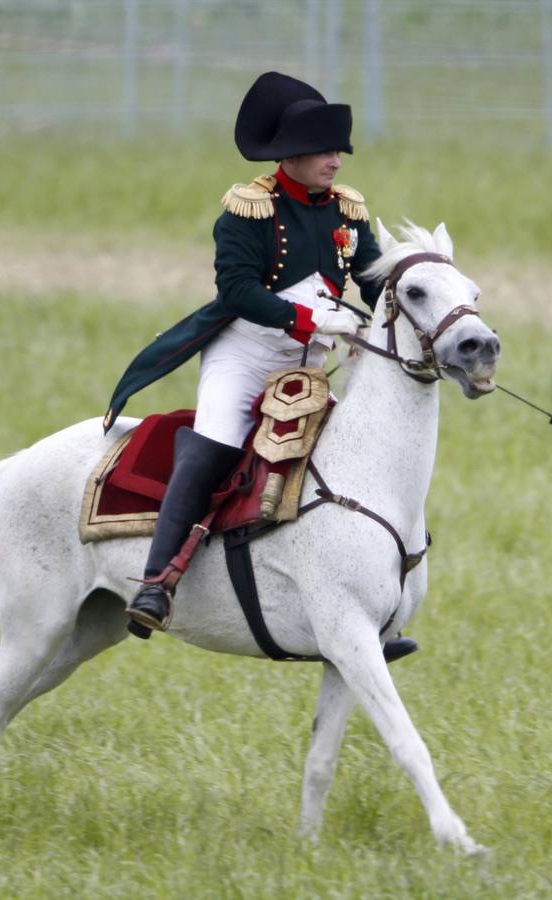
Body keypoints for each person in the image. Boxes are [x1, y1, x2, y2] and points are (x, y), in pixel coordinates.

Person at [103, 72, 416, 660]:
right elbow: (238, 290)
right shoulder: (247, 211)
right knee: (217, 440)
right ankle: (156, 583)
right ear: (291, 156)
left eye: (338, 152)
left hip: (312, 366)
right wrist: (308, 321)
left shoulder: (349, 214)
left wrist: (410, 317)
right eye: (326, 152)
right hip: (246, 356)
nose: (337, 163)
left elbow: (375, 287)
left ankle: (364, 612)